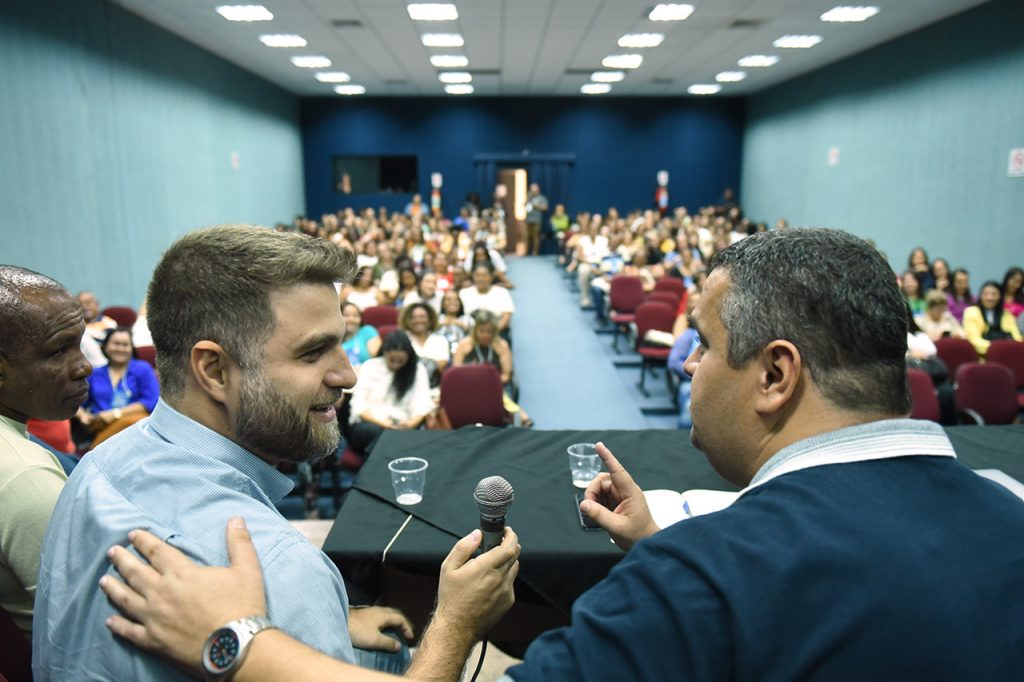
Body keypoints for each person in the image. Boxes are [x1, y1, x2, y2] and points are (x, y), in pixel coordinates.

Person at [97, 228, 1024, 680]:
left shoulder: (700, 583)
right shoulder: (1008, 517)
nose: (687, 368)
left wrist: (239, 644)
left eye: (699, 345)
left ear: (776, 375)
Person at [34, 226, 519, 681]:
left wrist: (317, 621)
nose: (347, 376)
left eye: (342, 346)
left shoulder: (93, 469)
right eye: (313, 353)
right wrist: (456, 622)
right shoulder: (282, 568)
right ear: (215, 371)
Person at [0, 266, 92, 635]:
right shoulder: (25, 474)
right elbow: (94, 624)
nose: (84, 365)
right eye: (58, 351)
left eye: (78, 343)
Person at [346, 331, 435, 457]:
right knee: (379, 436)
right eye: (392, 360)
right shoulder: (370, 366)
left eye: (401, 361)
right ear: (384, 352)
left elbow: (422, 404)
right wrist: (384, 424)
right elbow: (359, 405)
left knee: (397, 440)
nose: (396, 365)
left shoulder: (418, 370)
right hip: (371, 425)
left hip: (403, 426)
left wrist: (410, 424)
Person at [76, 327, 160, 447]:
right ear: (105, 347)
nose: (120, 348)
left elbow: (151, 402)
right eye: (116, 344)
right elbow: (77, 403)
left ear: (131, 348)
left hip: (134, 429)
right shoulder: (95, 373)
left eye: (125, 345)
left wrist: (115, 414)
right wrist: (83, 416)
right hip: (100, 428)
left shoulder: (142, 369)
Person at [451, 310, 532, 427]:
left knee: (496, 392)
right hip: (467, 385)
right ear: (475, 330)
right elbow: (455, 372)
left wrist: (488, 381)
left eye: (489, 332)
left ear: (494, 332)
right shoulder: (464, 344)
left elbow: (506, 375)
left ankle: (516, 414)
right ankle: (520, 414)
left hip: (495, 385)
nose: (485, 335)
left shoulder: (501, 345)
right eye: (481, 331)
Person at [962, 280, 1023, 357]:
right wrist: (998, 349)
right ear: (980, 296)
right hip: (983, 357)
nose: (989, 298)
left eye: (994, 294)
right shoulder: (971, 312)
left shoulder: (1007, 314)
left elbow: (1017, 339)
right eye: (985, 294)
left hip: (1009, 356)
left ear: (1000, 296)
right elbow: (974, 340)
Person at [399, 303, 450, 384]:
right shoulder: (401, 339)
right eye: (413, 317)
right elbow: (400, 365)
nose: (418, 320)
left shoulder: (440, 340)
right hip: (406, 384)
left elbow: (441, 365)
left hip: (433, 385)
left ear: (430, 319)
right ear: (407, 320)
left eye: (422, 317)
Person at [459, 262, 515, 335]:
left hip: (495, 332)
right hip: (468, 332)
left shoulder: (502, 292)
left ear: (491, 276)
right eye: (477, 275)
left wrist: (490, 333)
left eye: (484, 275)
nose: (481, 279)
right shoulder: (464, 293)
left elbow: (506, 316)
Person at [341, 301, 381, 368]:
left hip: (367, 374)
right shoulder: (333, 337)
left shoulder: (368, 331)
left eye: (355, 316)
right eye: (346, 315)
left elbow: (375, 360)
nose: (351, 319)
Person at [524, 183, 548, 256]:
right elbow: (525, 206)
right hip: (528, 220)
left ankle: (535, 252)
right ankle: (527, 252)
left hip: (537, 220)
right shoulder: (529, 197)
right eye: (531, 189)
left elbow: (545, 207)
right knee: (527, 236)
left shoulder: (541, 198)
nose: (532, 191)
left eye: (534, 189)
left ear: (538, 190)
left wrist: (536, 206)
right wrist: (528, 198)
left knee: (535, 236)